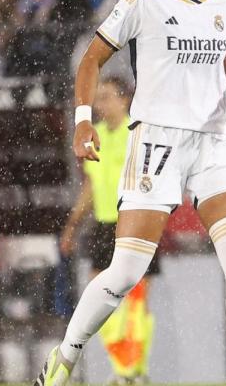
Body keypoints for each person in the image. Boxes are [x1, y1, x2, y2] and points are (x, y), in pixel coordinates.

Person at [34, 0, 226, 386]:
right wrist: (81, 120)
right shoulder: (143, 1)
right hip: (157, 145)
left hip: (213, 143)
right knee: (124, 272)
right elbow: (91, 60)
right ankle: (66, 356)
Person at [59, 76, 160, 383]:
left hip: (137, 224)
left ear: (124, 99)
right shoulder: (95, 136)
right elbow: (90, 185)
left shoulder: (141, 134)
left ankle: (133, 372)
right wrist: (72, 225)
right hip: (104, 227)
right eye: (97, 98)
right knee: (103, 307)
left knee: (136, 305)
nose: (100, 104)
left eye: (106, 97)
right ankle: (125, 371)